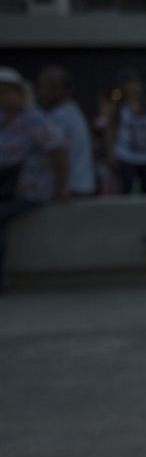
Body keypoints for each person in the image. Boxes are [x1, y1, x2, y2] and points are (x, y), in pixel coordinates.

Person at [0, 66, 67, 291]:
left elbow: (59, 151)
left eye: (8, 92)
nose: (3, 97)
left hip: (30, 190)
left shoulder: (34, 119)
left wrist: (62, 189)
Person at [35, 66, 95, 198]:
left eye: (52, 87)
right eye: (42, 87)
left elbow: (59, 153)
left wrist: (61, 188)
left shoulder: (59, 117)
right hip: (81, 186)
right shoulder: (72, 112)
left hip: (69, 190)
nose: (44, 92)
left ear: (66, 90)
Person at [104, 67, 146, 195]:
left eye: (137, 83)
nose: (134, 87)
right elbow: (110, 130)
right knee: (126, 191)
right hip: (126, 156)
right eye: (131, 84)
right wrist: (110, 153)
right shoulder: (118, 107)